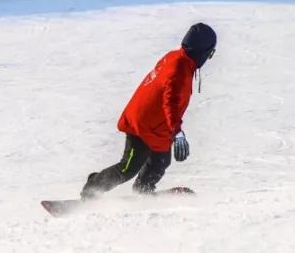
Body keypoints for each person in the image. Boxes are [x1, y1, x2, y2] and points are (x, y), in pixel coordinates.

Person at [81, 23, 217, 198]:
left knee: (160, 161)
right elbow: (171, 102)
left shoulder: (176, 58)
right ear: (203, 51)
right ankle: (92, 188)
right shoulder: (180, 68)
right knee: (129, 166)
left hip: (155, 124)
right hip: (143, 122)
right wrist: (177, 133)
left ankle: (143, 189)